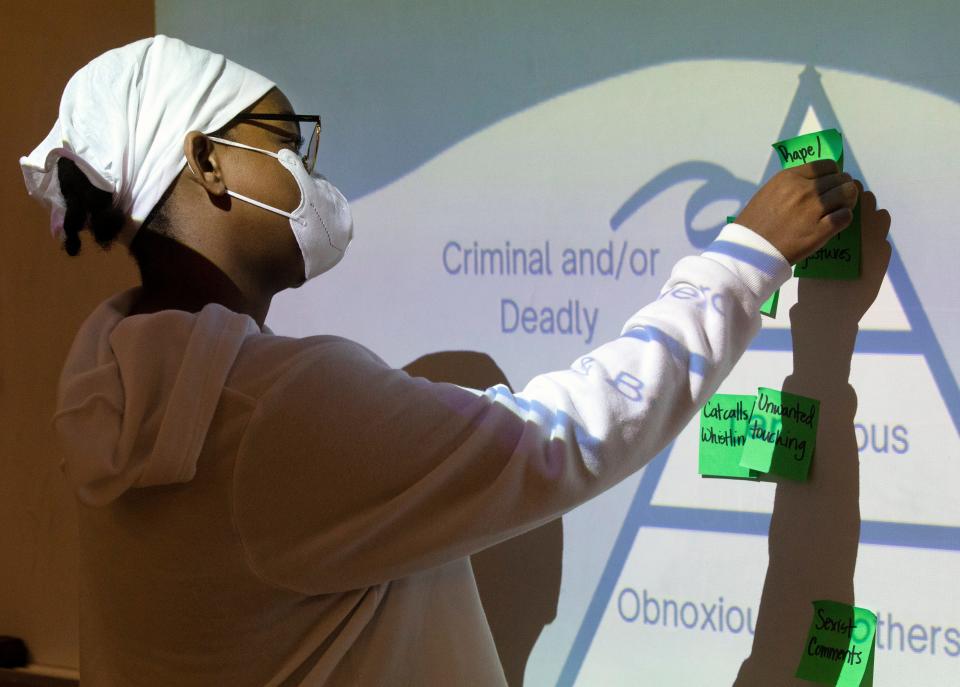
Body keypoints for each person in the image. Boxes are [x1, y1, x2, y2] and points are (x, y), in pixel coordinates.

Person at [20, 35, 868, 687]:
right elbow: (567, 435)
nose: (309, 174)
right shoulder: (275, 410)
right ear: (204, 160)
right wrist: (746, 255)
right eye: (286, 142)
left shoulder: (116, 391)